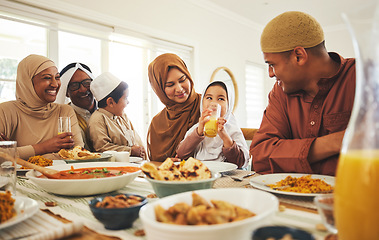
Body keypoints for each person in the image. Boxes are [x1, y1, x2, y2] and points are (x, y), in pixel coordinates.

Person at [250, 11, 356, 176]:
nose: (270, 73)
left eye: (272, 64)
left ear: (299, 56)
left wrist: (289, 157)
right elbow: (260, 157)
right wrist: (337, 142)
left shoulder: (366, 79)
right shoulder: (280, 92)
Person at [0, 54, 83, 159]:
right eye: (47, 78)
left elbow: (78, 153)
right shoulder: (5, 112)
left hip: (61, 174)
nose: (55, 84)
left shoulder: (64, 111)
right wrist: (44, 147)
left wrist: (14, 152)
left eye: (57, 77)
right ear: (28, 82)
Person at [176, 80, 249, 168]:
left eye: (221, 99)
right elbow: (181, 154)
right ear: (202, 103)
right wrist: (198, 132)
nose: (214, 104)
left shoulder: (232, 130)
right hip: (200, 174)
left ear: (229, 106)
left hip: (227, 176)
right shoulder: (197, 128)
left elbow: (240, 162)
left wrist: (225, 136)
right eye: (209, 98)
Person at [147, 53, 201, 162]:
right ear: (159, 89)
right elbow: (155, 165)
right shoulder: (157, 123)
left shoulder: (207, 106)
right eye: (170, 85)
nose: (179, 89)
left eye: (182, 80)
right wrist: (166, 164)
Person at [88, 72, 146, 158]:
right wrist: (130, 151)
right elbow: (101, 148)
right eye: (125, 98)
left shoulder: (122, 116)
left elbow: (137, 141)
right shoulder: (97, 119)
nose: (128, 102)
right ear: (110, 102)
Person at [55, 62, 97, 151]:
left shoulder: (108, 109)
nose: (83, 89)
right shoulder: (64, 118)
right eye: (74, 85)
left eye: (87, 83)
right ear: (66, 92)